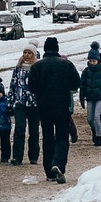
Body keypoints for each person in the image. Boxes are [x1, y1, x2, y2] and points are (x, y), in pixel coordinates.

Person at [29, 36, 81, 184]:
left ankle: (49, 171)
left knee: (47, 137)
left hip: (44, 107)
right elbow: (76, 83)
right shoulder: (67, 65)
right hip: (62, 106)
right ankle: (58, 163)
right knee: (62, 137)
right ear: (57, 49)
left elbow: (32, 87)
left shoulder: (37, 67)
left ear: (45, 49)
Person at [8, 43, 40, 166]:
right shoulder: (18, 68)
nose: (26, 55)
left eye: (29, 53)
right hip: (20, 103)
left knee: (34, 131)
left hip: (33, 104)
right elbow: (13, 85)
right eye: (25, 52)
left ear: (33, 55)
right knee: (19, 129)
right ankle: (17, 156)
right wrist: (10, 102)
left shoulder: (37, 68)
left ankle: (33, 156)